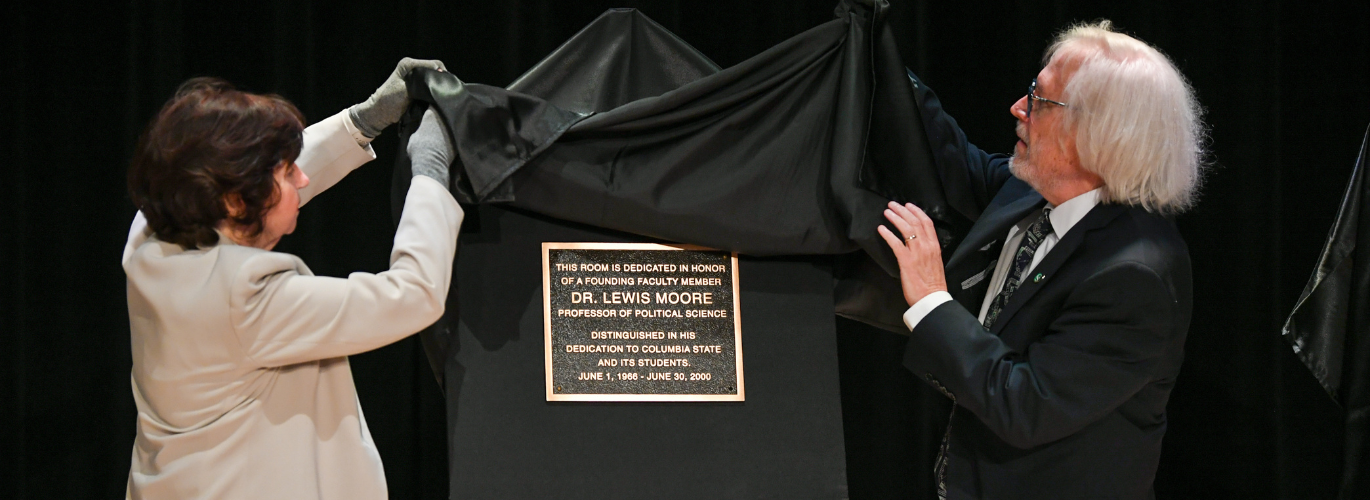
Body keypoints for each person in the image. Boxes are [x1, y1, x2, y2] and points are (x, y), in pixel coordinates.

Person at [877, 22, 1204, 499]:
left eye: (1039, 100)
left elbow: (1024, 405)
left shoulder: (1136, 275)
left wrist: (931, 299)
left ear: (1095, 133)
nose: (1018, 108)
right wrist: (880, 63)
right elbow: (953, 164)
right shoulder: (1037, 189)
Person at [123, 58, 462, 499]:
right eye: (286, 172)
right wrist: (432, 172)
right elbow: (413, 294)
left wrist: (362, 121)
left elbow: (246, 179)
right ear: (234, 201)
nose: (301, 178)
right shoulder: (248, 297)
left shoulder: (150, 235)